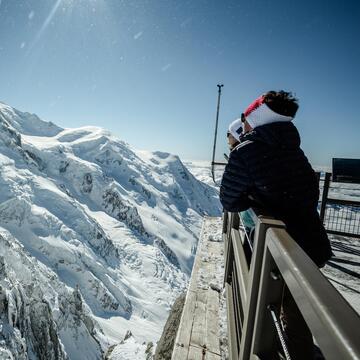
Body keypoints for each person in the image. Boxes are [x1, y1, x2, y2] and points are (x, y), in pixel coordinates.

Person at [220, 90, 333, 359]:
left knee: (266, 309)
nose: (243, 125)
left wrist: (254, 196)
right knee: (298, 315)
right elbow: (310, 194)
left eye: (244, 118)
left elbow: (229, 201)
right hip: (309, 243)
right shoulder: (296, 151)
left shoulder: (246, 153)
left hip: (273, 250)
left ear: (255, 119)